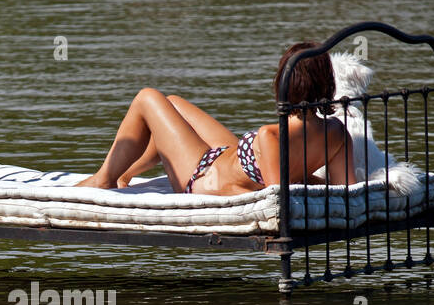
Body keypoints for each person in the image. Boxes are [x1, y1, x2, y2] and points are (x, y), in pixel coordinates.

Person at [75, 41, 356, 195]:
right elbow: (347, 193)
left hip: (201, 179)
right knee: (172, 105)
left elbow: (275, 198)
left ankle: (104, 179)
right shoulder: (337, 134)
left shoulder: (270, 136)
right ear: (326, 83)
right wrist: (310, 177)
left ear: (285, 83)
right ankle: (126, 173)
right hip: (226, 158)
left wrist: (304, 178)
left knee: (147, 97)